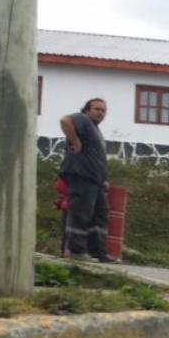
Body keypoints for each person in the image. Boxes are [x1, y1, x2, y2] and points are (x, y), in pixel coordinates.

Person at [59, 98, 110, 262]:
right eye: (97, 109)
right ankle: (77, 251)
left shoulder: (95, 129)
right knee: (80, 213)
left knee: (99, 215)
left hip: (95, 180)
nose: (101, 113)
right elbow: (65, 120)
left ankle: (98, 252)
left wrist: (103, 179)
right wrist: (75, 141)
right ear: (87, 110)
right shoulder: (82, 119)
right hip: (81, 176)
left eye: (103, 110)